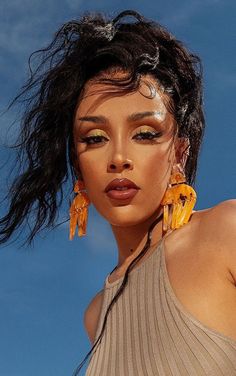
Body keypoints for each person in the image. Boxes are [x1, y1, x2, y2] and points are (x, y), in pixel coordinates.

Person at [1, 9, 236, 376]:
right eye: (95, 139)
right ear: (78, 165)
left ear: (179, 152)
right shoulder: (96, 314)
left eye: (145, 134)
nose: (119, 158)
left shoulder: (226, 232)